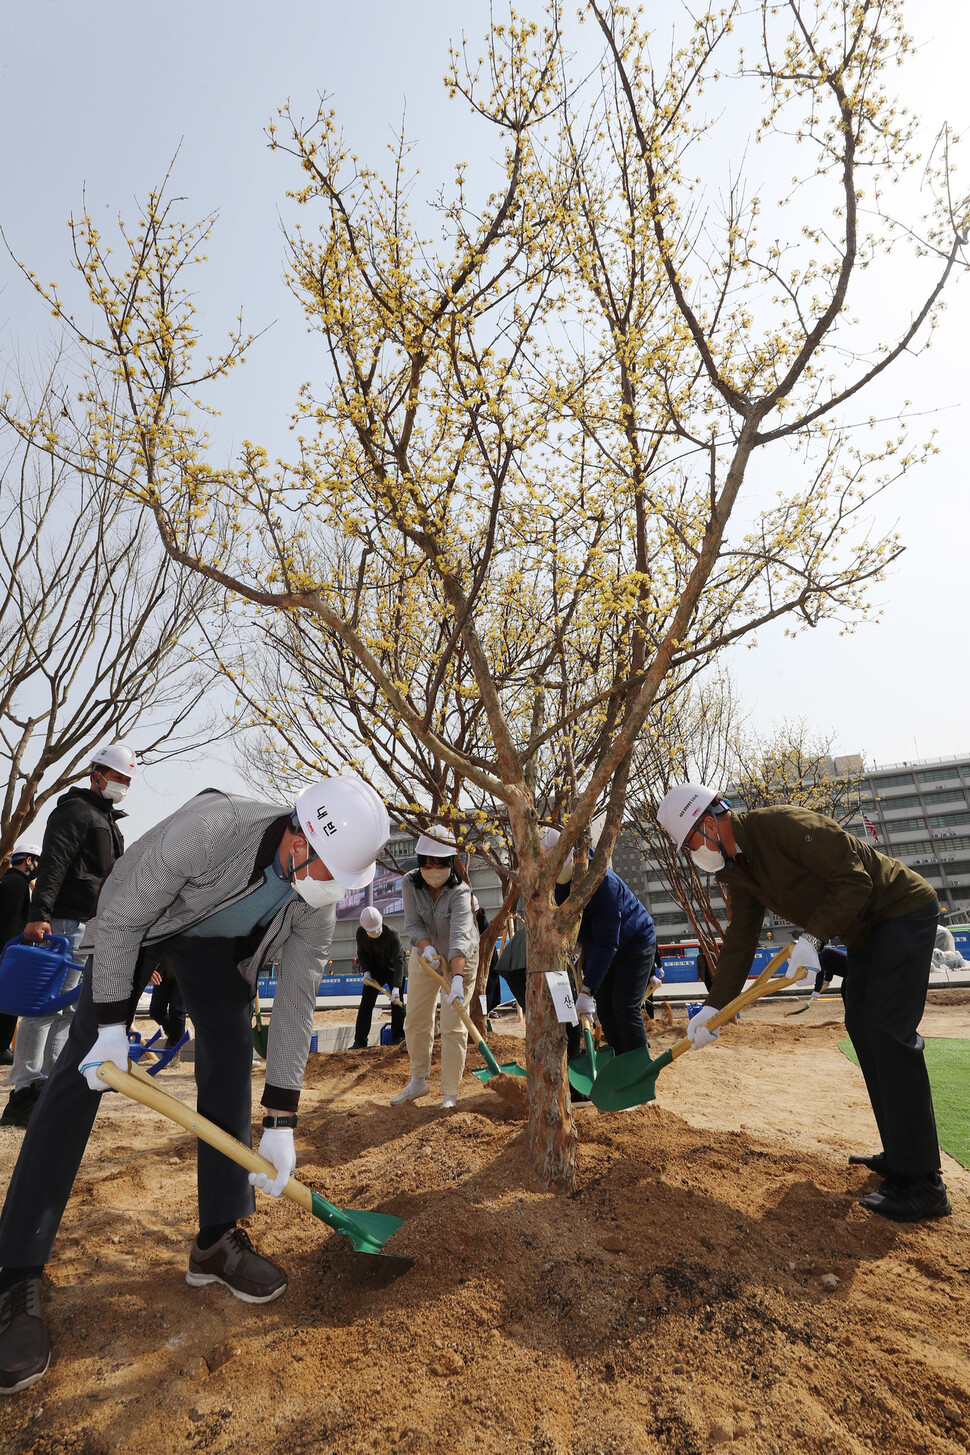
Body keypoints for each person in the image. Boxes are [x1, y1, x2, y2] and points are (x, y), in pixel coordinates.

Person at [0, 774, 389, 1394]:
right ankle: (16, 1271)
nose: (336, 893)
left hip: (220, 947)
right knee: (82, 1075)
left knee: (232, 1051)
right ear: (300, 842)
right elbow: (122, 907)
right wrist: (108, 1026)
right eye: (333, 876)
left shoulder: (315, 898)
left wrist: (281, 1122)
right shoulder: (212, 830)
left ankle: (216, 1240)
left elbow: (296, 1002)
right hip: (142, 921)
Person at [656, 782, 949, 1224]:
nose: (693, 851)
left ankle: (924, 1184)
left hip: (902, 911)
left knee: (887, 1030)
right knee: (864, 1029)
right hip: (867, 932)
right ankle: (902, 1154)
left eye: (692, 840)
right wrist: (715, 1006)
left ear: (712, 820)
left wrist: (812, 938)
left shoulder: (783, 826)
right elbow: (740, 939)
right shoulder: (736, 871)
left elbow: (856, 879)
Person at [1, 745, 135, 1128]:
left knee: (70, 1012)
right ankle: (23, 1092)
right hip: (62, 923)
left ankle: (49, 1085)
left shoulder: (106, 820)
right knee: (43, 1009)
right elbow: (54, 863)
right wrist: (39, 914)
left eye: (127, 780)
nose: (123, 786)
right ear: (96, 774)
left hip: (88, 926)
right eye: (118, 777)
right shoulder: (76, 813)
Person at [542, 828, 658, 1057]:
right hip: (602, 948)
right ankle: (620, 1059)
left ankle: (638, 1067)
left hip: (634, 944)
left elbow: (608, 941)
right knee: (605, 1010)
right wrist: (575, 942)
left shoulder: (604, 882)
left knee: (624, 1007)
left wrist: (586, 991)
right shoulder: (561, 886)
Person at [391, 829, 478, 1110]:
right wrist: (426, 948)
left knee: (453, 1024)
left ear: (450, 863)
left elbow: (460, 940)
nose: (433, 870)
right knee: (416, 1018)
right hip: (425, 957)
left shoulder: (460, 892)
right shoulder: (410, 883)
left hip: (460, 960)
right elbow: (413, 924)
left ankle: (450, 1094)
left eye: (439, 864)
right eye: (427, 864)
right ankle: (418, 1079)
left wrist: (456, 980)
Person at [0, 842, 44, 1067]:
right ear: (29, 860)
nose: (37, 867)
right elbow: (10, 922)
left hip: (7, 949)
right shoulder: (17, 884)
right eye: (36, 862)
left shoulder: (7, 881)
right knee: (8, 1001)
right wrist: (12, 952)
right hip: (9, 950)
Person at [352, 906, 406, 1048]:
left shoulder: (392, 934)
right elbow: (362, 954)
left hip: (393, 970)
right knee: (366, 1004)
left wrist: (396, 987)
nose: (374, 933)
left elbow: (400, 960)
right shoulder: (360, 933)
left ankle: (398, 1037)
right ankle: (360, 1040)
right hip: (374, 972)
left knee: (397, 1005)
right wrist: (367, 972)